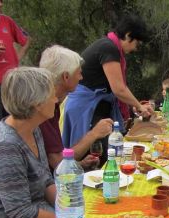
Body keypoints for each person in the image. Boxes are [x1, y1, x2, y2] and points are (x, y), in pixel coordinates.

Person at [63, 14, 153, 165]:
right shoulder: (109, 48)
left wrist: (134, 106)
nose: (136, 49)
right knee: (97, 151)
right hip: (86, 106)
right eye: (137, 44)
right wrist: (139, 106)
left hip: (95, 104)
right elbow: (118, 89)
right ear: (128, 35)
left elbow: (119, 86)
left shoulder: (110, 47)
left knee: (102, 151)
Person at [0, 67, 57, 218]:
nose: (56, 99)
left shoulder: (32, 128)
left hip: (40, 214)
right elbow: (21, 213)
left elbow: (45, 180)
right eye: (52, 95)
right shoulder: (7, 146)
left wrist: (67, 207)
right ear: (37, 103)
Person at [39, 45, 114, 171]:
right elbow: (58, 164)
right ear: (66, 77)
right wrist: (94, 134)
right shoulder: (43, 107)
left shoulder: (52, 102)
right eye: (79, 73)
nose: (81, 78)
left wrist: (80, 164)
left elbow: (59, 158)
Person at [0, 0, 30, 131]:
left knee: (14, 121)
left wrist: (16, 59)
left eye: (1, 1)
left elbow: (26, 39)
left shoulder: (7, 21)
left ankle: (11, 151)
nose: (0, 4)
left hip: (11, 82)